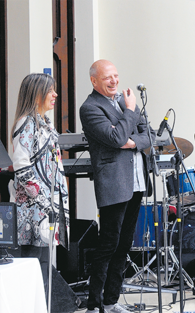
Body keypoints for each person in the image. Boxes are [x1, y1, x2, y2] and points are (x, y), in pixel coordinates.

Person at [80, 59, 155, 313]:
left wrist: (132, 142)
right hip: (113, 182)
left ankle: (111, 301)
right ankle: (94, 304)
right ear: (94, 81)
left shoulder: (124, 102)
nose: (114, 81)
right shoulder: (90, 108)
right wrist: (131, 112)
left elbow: (150, 136)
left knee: (124, 244)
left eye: (115, 76)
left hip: (136, 181)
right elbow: (115, 137)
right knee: (108, 244)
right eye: (107, 78)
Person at [11, 73, 70, 304]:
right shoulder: (26, 122)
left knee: (44, 267)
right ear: (36, 94)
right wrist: (44, 201)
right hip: (34, 211)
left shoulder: (42, 122)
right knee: (34, 267)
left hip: (45, 209)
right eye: (50, 90)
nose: (55, 95)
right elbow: (22, 166)